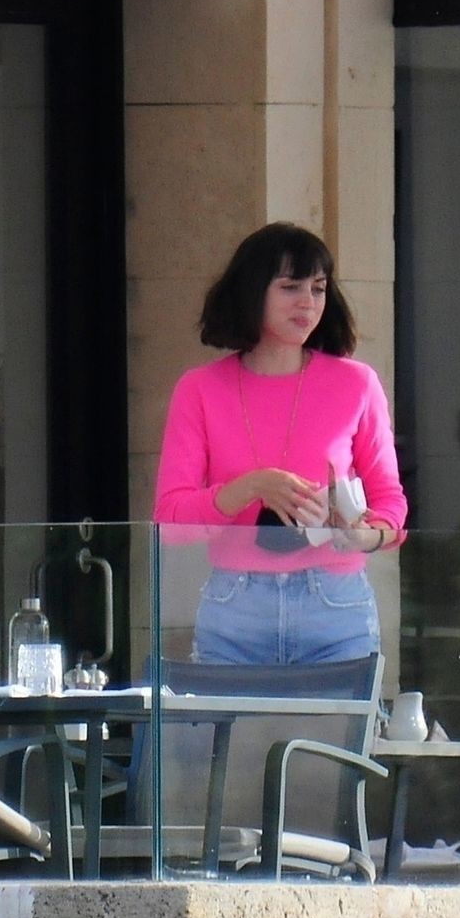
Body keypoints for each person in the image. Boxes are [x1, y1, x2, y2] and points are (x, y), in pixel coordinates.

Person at [154, 223, 407, 665]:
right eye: (290, 287)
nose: (308, 302)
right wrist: (251, 488)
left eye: (318, 288)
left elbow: (391, 502)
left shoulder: (356, 384)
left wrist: (363, 534)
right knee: (224, 716)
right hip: (235, 604)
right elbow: (170, 522)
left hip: (335, 601)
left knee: (340, 715)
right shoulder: (200, 389)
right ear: (252, 292)